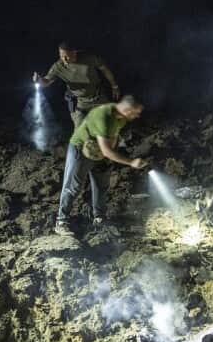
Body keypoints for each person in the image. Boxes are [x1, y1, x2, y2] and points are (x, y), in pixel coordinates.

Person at [55, 96, 147, 237]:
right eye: (136, 112)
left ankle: (99, 218)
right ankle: (61, 222)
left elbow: (113, 137)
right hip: (81, 149)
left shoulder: (121, 118)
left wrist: (111, 153)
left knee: (101, 184)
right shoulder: (103, 116)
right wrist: (130, 162)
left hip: (99, 152)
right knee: (73, 186)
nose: (138, 116)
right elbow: (106, 151)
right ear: (127, 109)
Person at [33, 42, 121, 127]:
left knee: (109, 123)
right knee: (79, 130)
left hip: (98, 97)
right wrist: (39, 80)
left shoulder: (88, 58)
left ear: (74, 53)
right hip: (80, 102)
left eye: (66, 56)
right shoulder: (58, 67)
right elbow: (46, 82)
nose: (64, 59)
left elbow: (104, 69)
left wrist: (114, 86)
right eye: (61, 55)